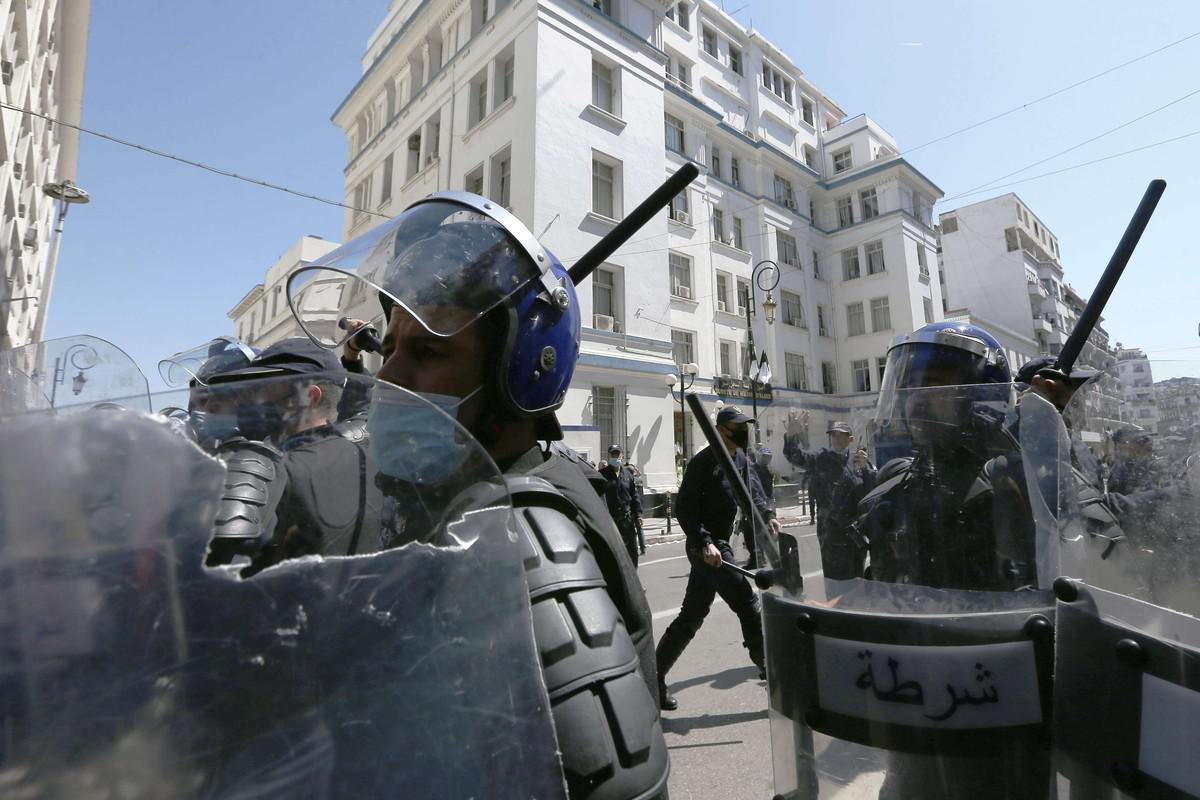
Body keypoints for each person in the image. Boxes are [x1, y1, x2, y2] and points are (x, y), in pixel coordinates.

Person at [304, 191, 669, 799]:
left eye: (428, 350)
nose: (388, 375)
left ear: (519, 373)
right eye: (389, 347)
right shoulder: (465, 498)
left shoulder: (525, 530)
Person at [202, 338, 382, 570]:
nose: (247, 399)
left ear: (310, 397)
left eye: (261, 388)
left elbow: (214, 580)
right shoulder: (371, 459)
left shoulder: (264, 470)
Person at [654, 406, 782, 711]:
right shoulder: (704, 461)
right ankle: (773, 674)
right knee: (747, 602)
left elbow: (753, 491)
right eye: (738, 426)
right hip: (707, 547)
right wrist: (705, 542)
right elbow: (683, 508)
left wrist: (768, 515)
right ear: (722, 429)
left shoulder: (739, 457)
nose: (744, 430)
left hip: (719, 544)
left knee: (691, 616)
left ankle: (652, 679)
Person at [782, 415, 877, 580]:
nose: (836, 438)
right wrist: (791, 436)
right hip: (831, 535)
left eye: (841, 434)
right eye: (833, 434)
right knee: (834, 584)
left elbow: (871, 493)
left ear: (851, 439)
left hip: (855, 535)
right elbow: (796, 456)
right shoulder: (822, 458)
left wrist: (867, 470)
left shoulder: (858, 461)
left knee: (857, 582)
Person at [599, 444, 643, 565]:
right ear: (608, 456)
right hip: (610, 522)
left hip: (627, 521)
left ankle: (633, 579)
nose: (615, 457)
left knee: (632, 552)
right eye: (612, 454)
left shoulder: (628, 475)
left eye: (617, 454)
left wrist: (638, 514)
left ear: (622, 455)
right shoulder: (601, 475)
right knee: (612, 555)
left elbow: (634, 496)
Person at [743, 445, 775, 568]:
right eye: (764, 457)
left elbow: (767, 490)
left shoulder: (767, 472)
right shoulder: (753, 469)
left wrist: (770, 506)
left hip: (760, 503)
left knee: (755, 530)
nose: (766, 459)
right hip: (755, 502)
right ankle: (758, 557)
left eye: (768, 457)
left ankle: (759, 557)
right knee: (752, 529)